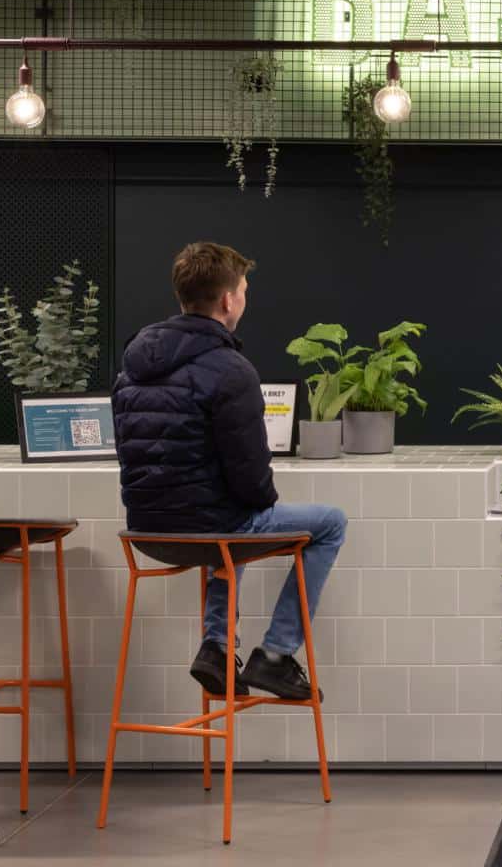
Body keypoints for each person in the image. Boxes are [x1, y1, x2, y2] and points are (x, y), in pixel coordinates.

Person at [113, 241, 344, 703]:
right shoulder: (230, 369)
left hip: (145, 532)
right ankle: (276, 655)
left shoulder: (130, 369)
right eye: (243, 288)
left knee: (223, 524)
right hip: (208, 530)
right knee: (329, 523)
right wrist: (257, 501)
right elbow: (251, 477)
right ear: (228, 300)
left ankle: (217, 649)